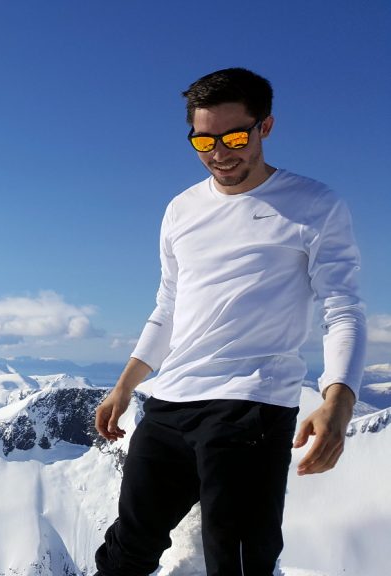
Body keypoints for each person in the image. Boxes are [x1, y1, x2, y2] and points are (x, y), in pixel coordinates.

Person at [92, 68, 366, 576]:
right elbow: (169, 305)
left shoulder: (314, 205)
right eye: (204, 140)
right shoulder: (181, 209)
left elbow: (342, 308)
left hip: (251, 408)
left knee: (237, 564)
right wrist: (125, 386)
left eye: (235, 137)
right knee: (126, 550)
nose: (219, 153)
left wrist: (339, 399)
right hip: (170, 403)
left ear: (266, 127)